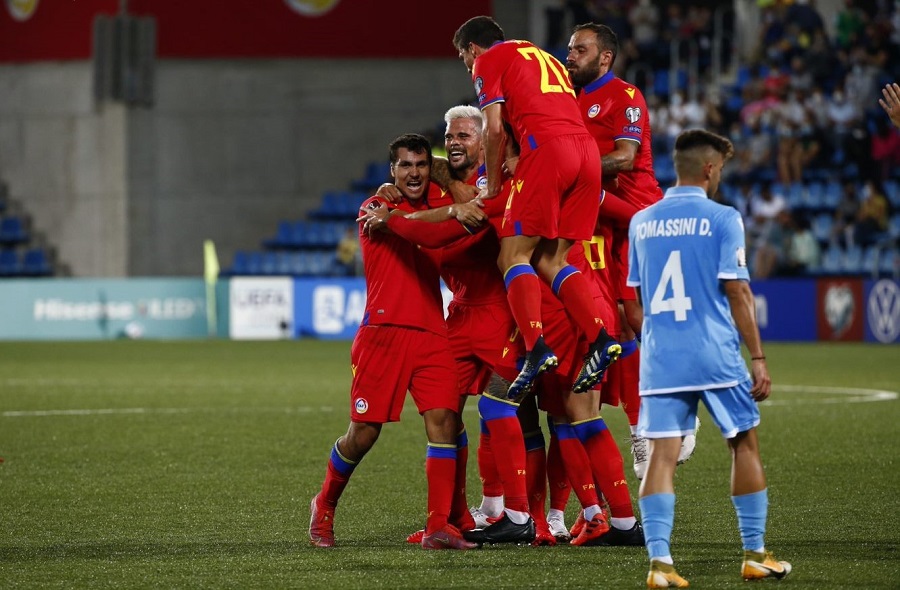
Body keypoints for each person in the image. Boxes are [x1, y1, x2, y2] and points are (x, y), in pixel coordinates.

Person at [627, 129, 791, 587]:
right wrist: (757, 356)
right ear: (710, 168)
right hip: (714, 352)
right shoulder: (723, 218)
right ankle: (755, 553)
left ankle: (660, 565)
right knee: (742, 442)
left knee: (661, 454)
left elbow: (633, 301)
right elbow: (737, 290)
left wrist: (659, 339)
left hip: (660, 358)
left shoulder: (642, 221)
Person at [308, 133, 476, 551]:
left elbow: (448, 221)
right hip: (382, 335)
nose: (414, 173)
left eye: (420, 164)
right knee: (363, 434)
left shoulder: (433, 203)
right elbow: (432, 237)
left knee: (446, 422)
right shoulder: (374, 208)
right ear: (392, 172)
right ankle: (324, 503)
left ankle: (438, 526)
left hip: (432, 335)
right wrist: (455, 209)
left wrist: (451, 199)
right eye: (405, 166)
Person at [452, 15, 622, 400]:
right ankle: (599, 339)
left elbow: (493, 128)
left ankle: (535, 347)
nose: (467, 67)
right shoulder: (540, 55)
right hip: (586, 155)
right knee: (552, 260)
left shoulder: (488, 60)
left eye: (464, 58)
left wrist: (493, 188)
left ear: (472, 49)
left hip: (549, 152)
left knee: (511, 257)